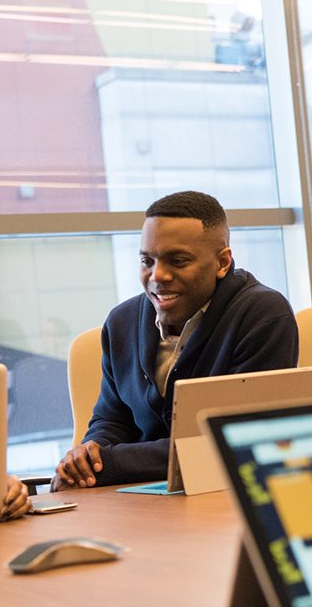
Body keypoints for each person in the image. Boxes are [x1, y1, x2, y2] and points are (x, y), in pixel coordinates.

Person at [52, 191, 298, 491]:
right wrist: (88, 454)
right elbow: (113, 418)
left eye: (178, 261)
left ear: (222, 262)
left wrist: (110, 464)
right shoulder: (122, 322)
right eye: (147, 260)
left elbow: (230, 441)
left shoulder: (262, 314)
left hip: (225, 495)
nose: (158, 275)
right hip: (138, 496)